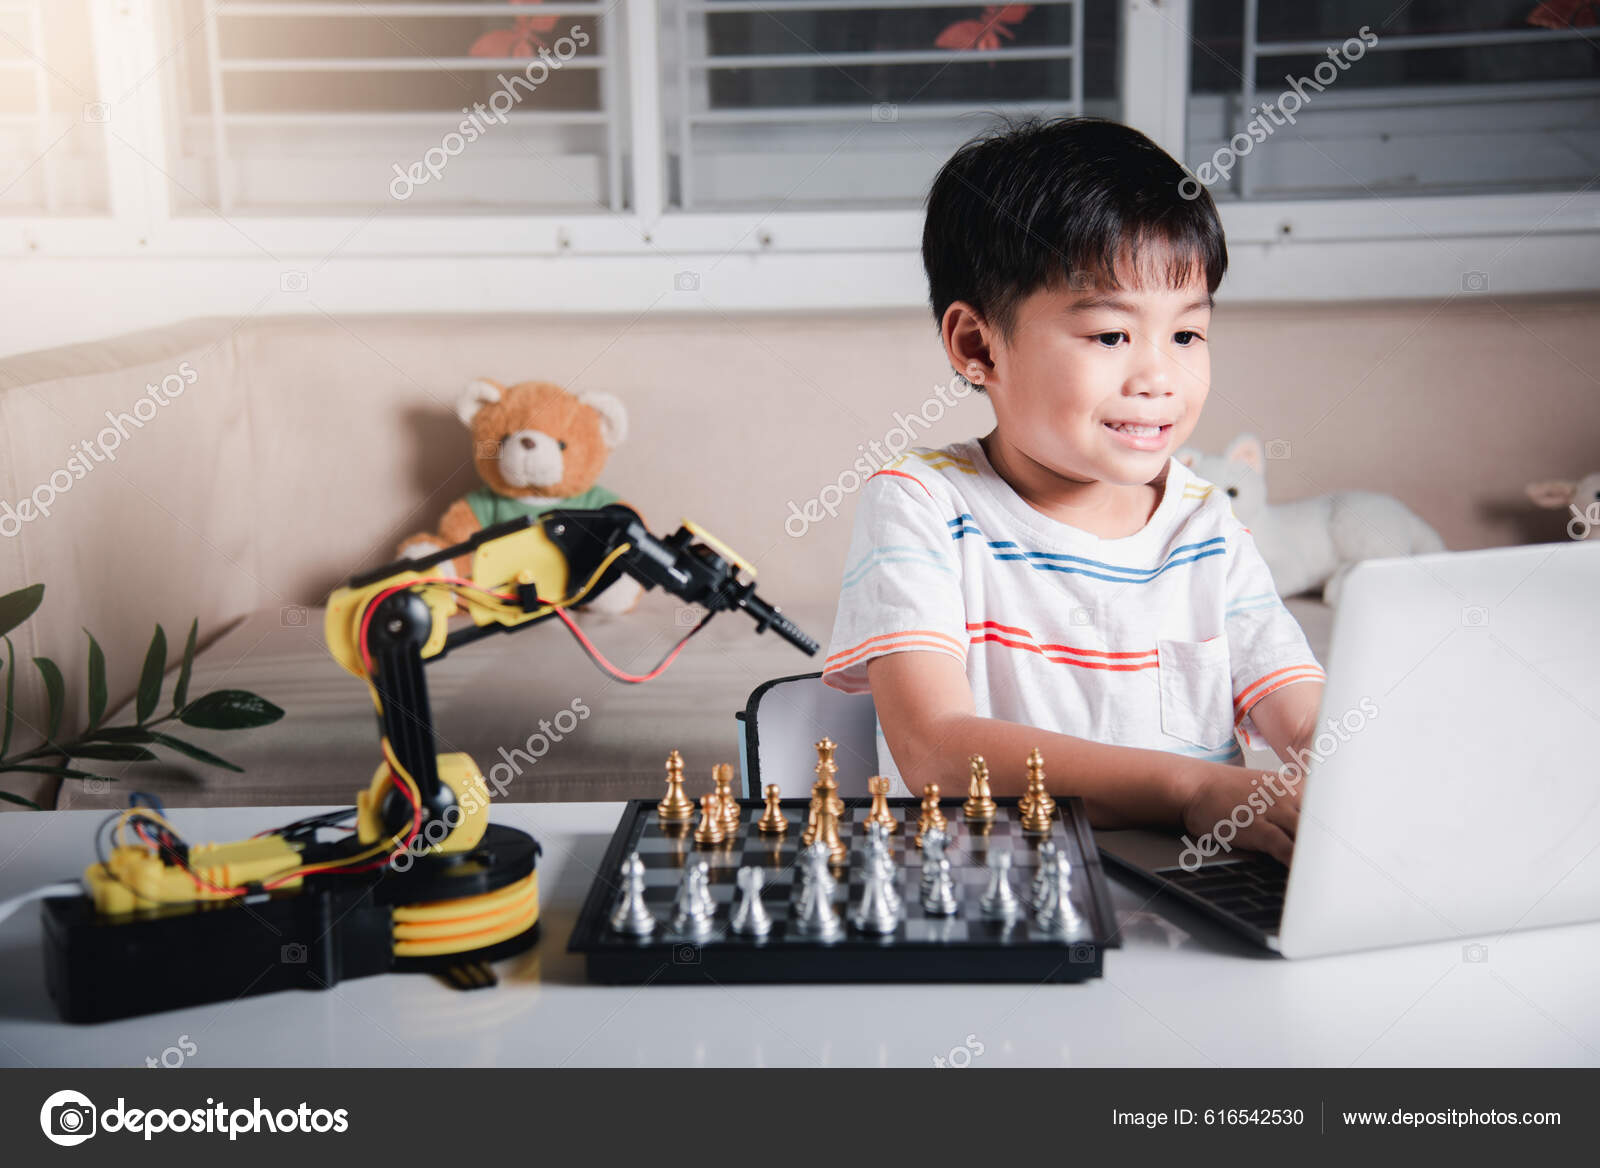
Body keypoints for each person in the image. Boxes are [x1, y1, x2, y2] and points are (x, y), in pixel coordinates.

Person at [821, 117, 1324, 865]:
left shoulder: (1206, 524)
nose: (1159, 378)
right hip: (995, 895)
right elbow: (934, 749)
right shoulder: (923, 504)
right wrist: (1189, 791)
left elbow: (1312, 726)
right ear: (977, 346)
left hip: (1193, 894)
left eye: (1186, 336)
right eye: (1111, 336)